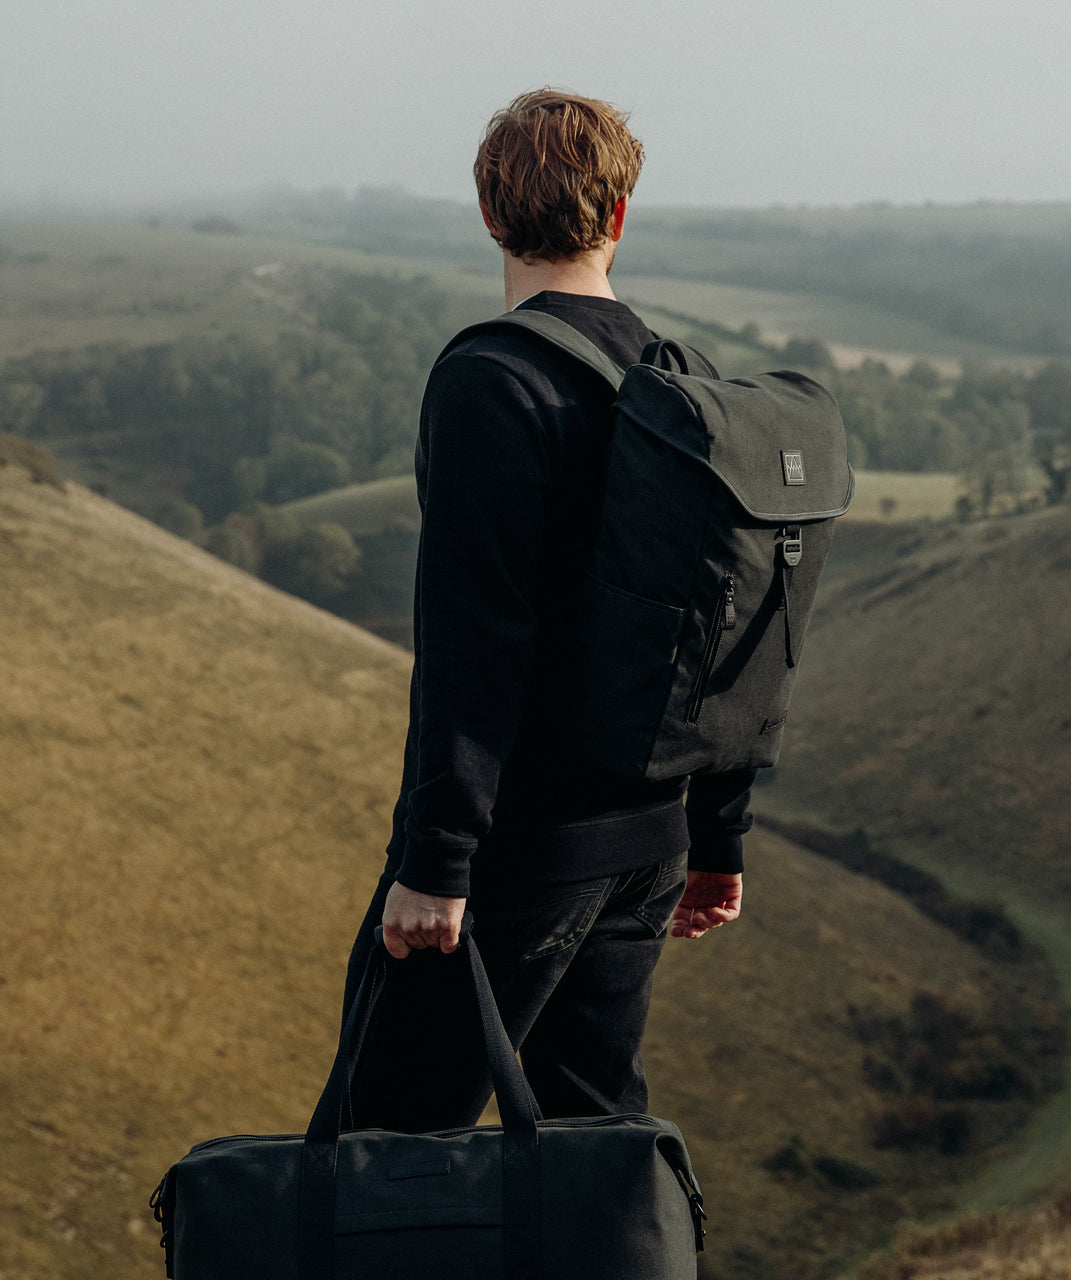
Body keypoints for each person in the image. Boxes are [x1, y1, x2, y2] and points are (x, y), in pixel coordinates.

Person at [340, 88, 754, 1132]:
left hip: (520, 850)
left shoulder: (490, 380)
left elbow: (474, 640)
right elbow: (730, 622)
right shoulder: (685, 381)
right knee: (595, 1138)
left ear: (489, 213)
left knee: (381, 1148)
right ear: (619, 214)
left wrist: (436, 864)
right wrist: (718, 830)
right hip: (649, 843)